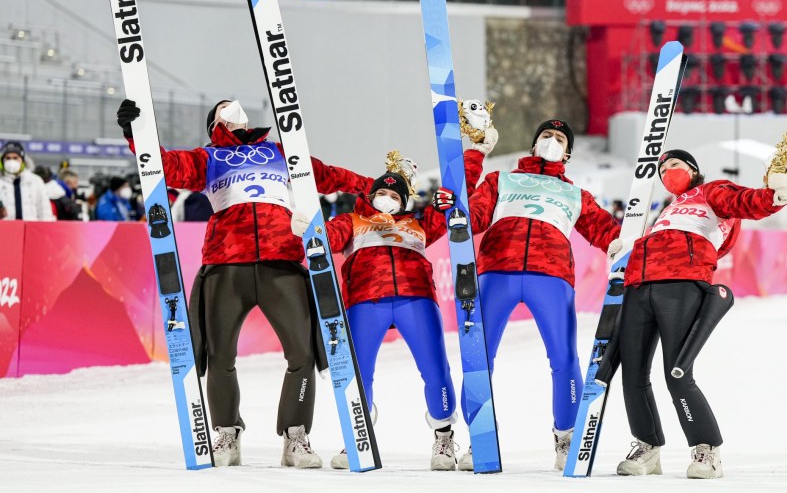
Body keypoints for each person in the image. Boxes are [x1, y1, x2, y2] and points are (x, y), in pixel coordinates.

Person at [115, 98, 371, 469]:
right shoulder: (209, 158)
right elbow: (165, 166)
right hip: (225, 263)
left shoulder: (280, 152)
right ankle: (227, 433)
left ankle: (295, 436)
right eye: (223, 108)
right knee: (220, 356)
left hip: (281, 259)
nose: (232, 107)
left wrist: (377, 187)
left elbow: (331, 176)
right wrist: (135, 133)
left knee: (301, 353)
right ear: (214, 123)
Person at [295, 128, 496, 472]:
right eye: (381, 192)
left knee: (436, 371)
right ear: (371, 195)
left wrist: (476, 152)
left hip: (415, 300)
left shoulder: (420, 225)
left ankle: (444, 438)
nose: (386, 198)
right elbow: (325, 241)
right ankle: (359, 435)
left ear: (405, 201)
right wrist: (309, 231)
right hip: (364, 301)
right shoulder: (352, 221)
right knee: (360, 374)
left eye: (394, 194)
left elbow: (453, 189)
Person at [433, 119, 620, 471]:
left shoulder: (576, 194)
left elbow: (607, 230)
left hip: (550, 275)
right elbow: (471, 219)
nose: (551, 141)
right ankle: (480, 436)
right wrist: (454, 206)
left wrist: (625, 244)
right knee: (479, 359)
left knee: (564, 359)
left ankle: (566, 437)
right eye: (546, 136)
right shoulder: (501, 180)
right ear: (534, 145)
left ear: (568, 152)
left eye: (559, 137)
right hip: (496, 271)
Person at [611, 149, 787, 480]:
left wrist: (775, 194)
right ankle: (647, 447)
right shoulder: (665, 209)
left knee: (677, 373)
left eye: (675, 165)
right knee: (632, 375)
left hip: (682, 282)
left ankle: (706, 449)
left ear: (693, 169)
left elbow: (748, 202)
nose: (668, 171)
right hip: (639, 285)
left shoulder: (711, 191)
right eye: (663, 168)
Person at [0, 141, 53, 221]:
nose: (11, 161)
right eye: (8, 158)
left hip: (30, 230)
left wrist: (46, 230)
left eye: (15, 158)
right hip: (5, 230)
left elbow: (44, 210)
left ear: (22, 160)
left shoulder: (35, 181)